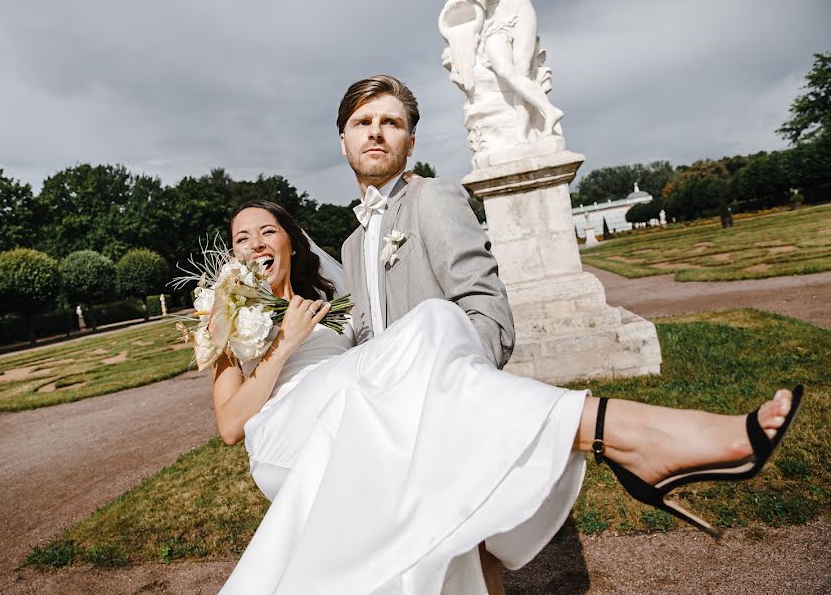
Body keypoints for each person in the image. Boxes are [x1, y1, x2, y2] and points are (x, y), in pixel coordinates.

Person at [211, 200, 801, 594]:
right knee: (430, 328)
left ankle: (627, 439)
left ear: (290, 241)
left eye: (267, 229)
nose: (255, 242)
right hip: (287, 434)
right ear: (233, 254)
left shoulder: (332, 307)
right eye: (242, 237)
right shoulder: (220, 314)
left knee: (436, 345)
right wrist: (284, 346)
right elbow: (231, 425)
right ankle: (630, 435)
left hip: (351, 415)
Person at [338, 74, 513, 592]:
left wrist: (448, 393)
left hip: (446, 421)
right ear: (343, 140)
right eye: (362, 123)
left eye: (391, 123)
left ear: (410, 141)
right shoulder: (350, 246)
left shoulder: (433, 199)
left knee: (473, 565)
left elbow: (491, 316)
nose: (375, 133)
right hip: (384, 438)